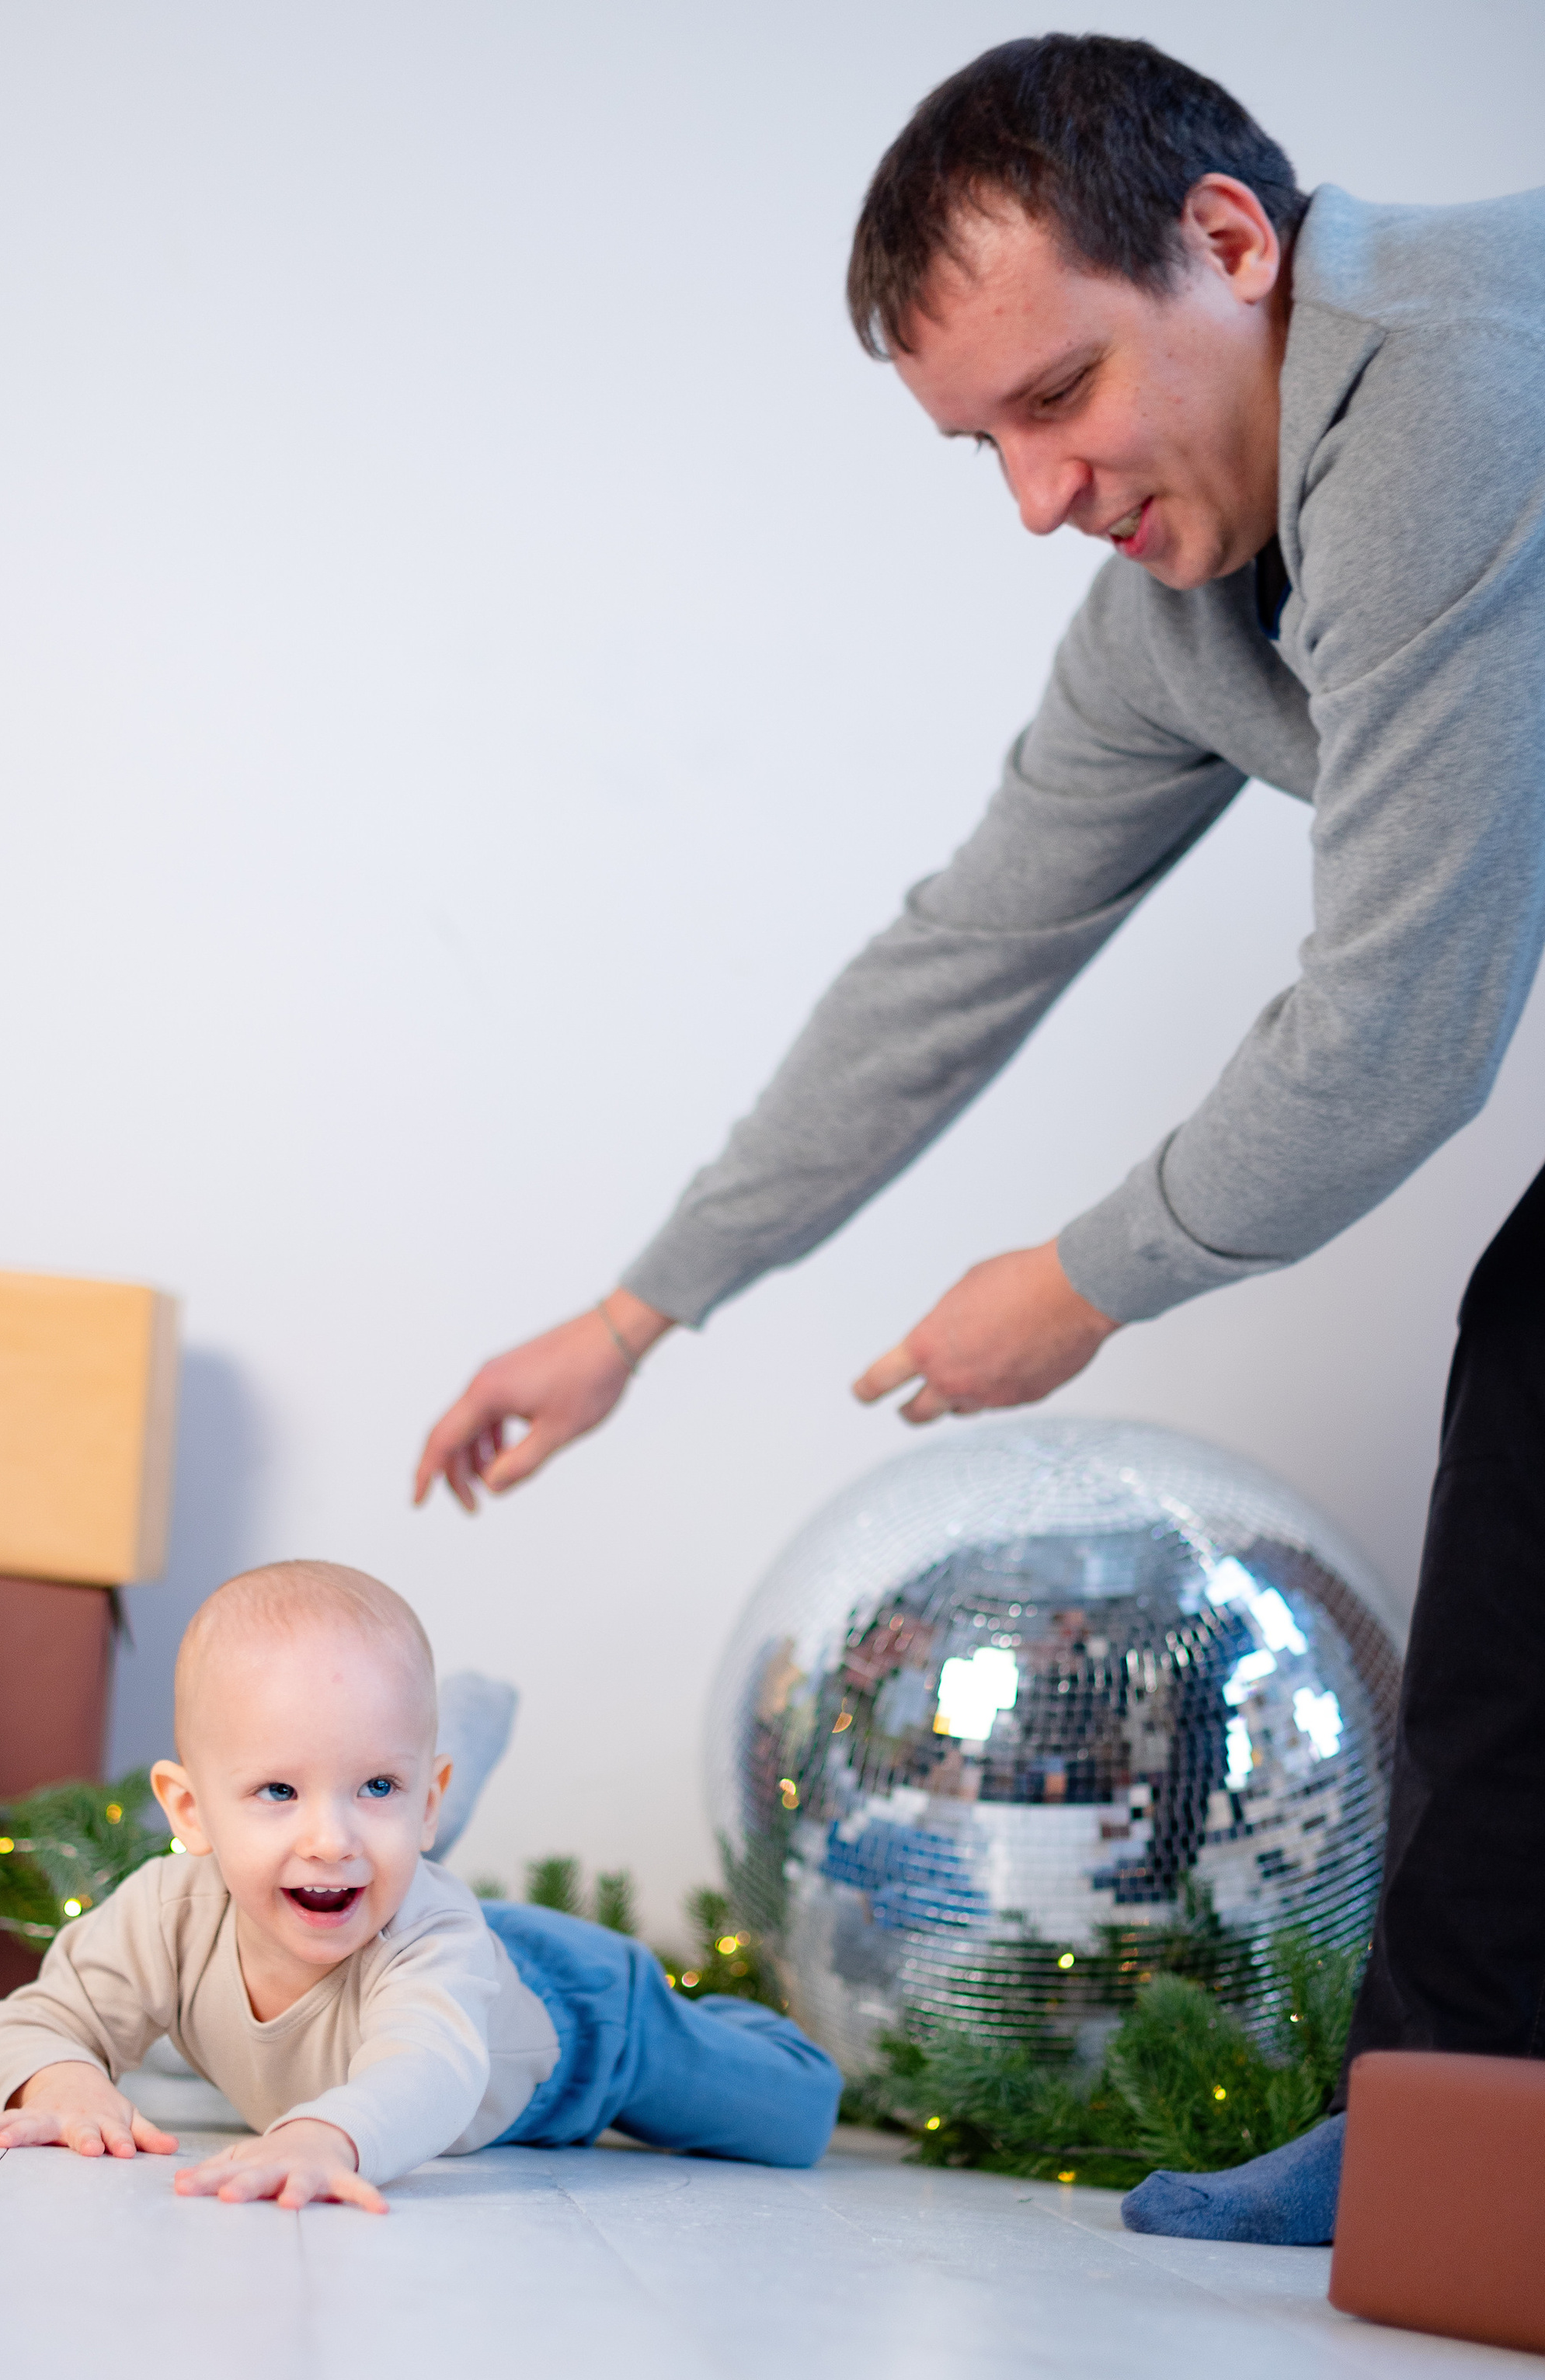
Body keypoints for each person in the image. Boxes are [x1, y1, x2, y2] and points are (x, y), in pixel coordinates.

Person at [412, 36, 1545, 2245]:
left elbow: (1397, 1036)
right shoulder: (1178, 611)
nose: (1037, 496)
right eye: (982, 444)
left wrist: (1086, 1275)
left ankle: (1436, 2125)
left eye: (1060, 395)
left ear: (1229, 243)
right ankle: (1439, 2133)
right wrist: (637, 1313)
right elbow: (960, 954)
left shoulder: (1446, 394)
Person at [0, 1561, 840, 2201]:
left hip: (582, 2019)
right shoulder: (168, 1910)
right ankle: (409, 1796)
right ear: (189, 1811)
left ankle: (713, 2021)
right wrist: (64, 2083)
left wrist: (325, 2137)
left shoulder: (438, 1945)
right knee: (384, 1884)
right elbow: (36, 2019)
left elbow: (427, 2073)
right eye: (279, 1791)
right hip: (420, 1928)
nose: (329, 1839)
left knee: (793, 2116)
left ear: (426, 1800)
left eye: (376, 1788)